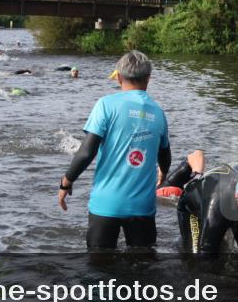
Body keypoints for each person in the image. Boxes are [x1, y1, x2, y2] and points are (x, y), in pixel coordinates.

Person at [58, 51, 171, 249]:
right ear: (148, 78)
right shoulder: (158, 112)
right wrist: (163, 171)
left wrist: (66, 182)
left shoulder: (105, 105)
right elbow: (165, 155)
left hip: (106, 204)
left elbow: (87, 151)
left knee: (99, 267)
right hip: (142, 207)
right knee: (143, 266)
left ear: (118, 77)